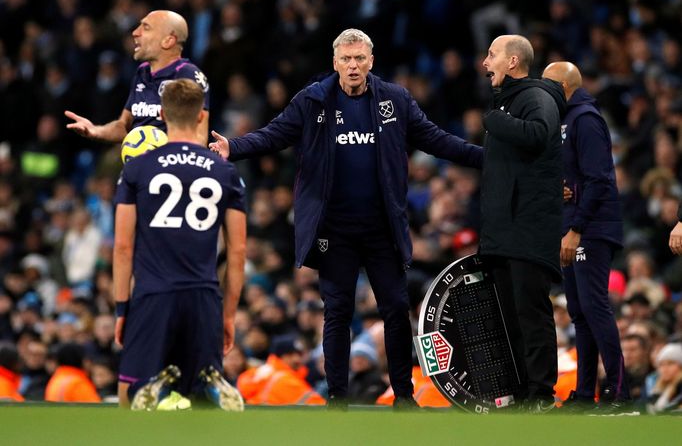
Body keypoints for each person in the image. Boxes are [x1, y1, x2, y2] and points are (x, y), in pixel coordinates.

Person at [210, 28, 483, 408]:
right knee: (337, 311)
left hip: (381, 227)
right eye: (346, 59)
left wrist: (485, 157)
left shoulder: (395, 99)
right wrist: (233, 147)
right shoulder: (313, 100)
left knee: (395, 309)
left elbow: (437, 140)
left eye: (359, 59)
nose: (353, 66)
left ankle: (404, 396)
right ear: (334, 62)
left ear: (371, 61)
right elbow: (274, 134)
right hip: (334, 230)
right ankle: (338, 397)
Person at [113, 79, 246, 411]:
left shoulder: (138, 168)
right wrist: (228, 315)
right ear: (202, 116)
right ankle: (207, 388)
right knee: (199, 406)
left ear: (161, 114)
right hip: (203, 297)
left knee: (132, 397)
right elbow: (238, 251)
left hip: (153, 296)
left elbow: (123, 246)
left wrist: (121, 308)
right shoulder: (225, 172)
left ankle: (155, 392)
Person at [479, 34, 565, 412]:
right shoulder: (510, 102)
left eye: (492, 55)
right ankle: (520, 392)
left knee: (531, 314)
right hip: (503, 231)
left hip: (527, 230)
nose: (485, 62)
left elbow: (539, 133)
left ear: (513, 61)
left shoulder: (536, 97)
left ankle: (542, 395)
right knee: (508, 317)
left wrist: (496, 120)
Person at [542, 61, 632, 413]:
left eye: (548, 86)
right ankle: (584, 394)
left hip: (590, 229)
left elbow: (600, 179)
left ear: (565, 86)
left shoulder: (585, 120)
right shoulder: (563, 120)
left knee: (595, 307)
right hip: (572, 226)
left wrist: (576, 228)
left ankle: (621, 392)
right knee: (580, 311)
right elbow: (572, 176)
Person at [64, 10, 210, 142]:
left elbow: (199, 138)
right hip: (139, 167)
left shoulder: (189, 76)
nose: (135, 32)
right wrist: (95, 130)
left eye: (145, 27)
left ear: (168, 40)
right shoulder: (142, 72)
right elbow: (123, 127)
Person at [236, 334, 326, 406]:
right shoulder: (284, 379)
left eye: (299, 354)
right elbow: (319, 406)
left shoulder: (264, 371)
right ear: (281, 356)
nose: (297, 359)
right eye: (291, 354)